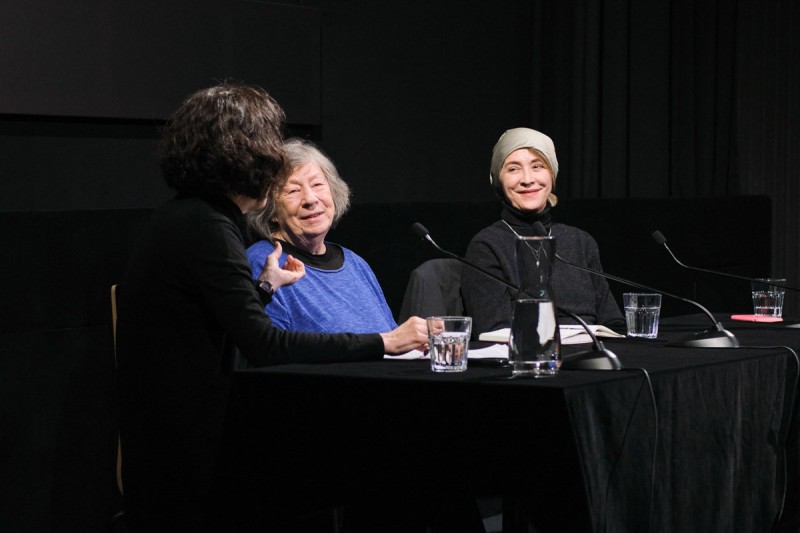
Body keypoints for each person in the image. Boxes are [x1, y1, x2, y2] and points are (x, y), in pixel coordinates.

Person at [115, 83, 428, 532]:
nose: (275, 161)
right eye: (269, 149)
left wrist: (263, 287)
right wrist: (385, 341)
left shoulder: (191, 218)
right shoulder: (208, 227)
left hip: (184, 432)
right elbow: (264, 345)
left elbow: (209, 322)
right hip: (189, 451)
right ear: (243, 157)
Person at [461, 127, 623, 337]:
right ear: (498, 181)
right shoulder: (487, 246)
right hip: (529, 361)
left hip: (592, 359)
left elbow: (613, 322)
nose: (528, 179)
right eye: (513, 169)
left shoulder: (580, 241)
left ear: (552, 175)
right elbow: (493, 332)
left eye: (537, 166)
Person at [246, 138, 397, 335]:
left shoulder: (355, 263)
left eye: (317, 184)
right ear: (272, 210)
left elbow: (393, 336)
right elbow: (270, 350)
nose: (310, 199)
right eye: (293, 190)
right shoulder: (263, 262)